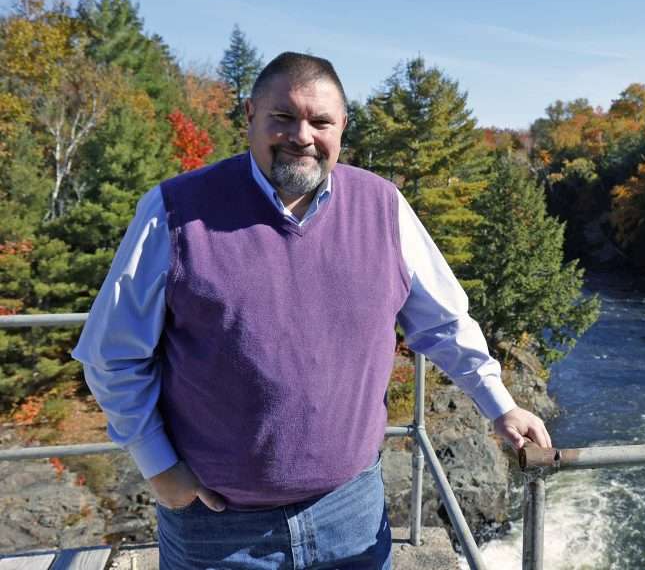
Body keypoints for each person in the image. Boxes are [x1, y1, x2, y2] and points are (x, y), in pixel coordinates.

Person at [73, 52, 551, 570]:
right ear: (250, 115)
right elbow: (111, 355)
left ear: (342, 126)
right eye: (283, 117)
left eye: (321, 121)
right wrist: (159, 465)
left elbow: (444, 322)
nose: (302, 135)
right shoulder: (174, 211)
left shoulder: (383, 207)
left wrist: (500, 404)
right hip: (218, 525)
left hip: (351, 513)